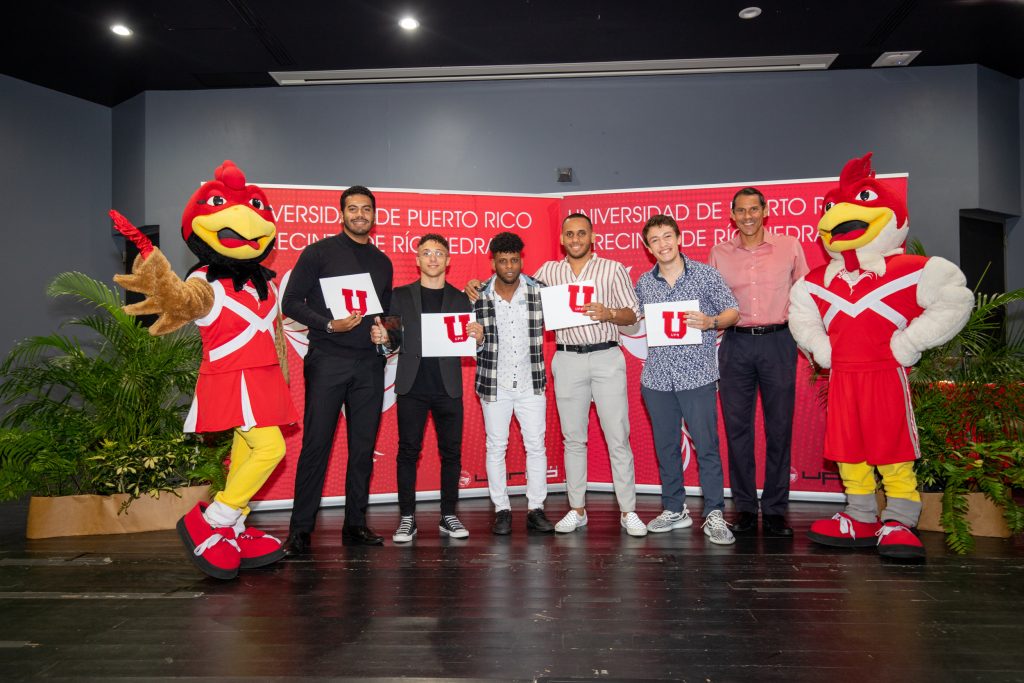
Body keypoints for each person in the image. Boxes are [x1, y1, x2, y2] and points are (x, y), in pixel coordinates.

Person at [281, 185, 393, 550]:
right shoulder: (318, 253)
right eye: (353, 209)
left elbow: (384, 316)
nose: (360, 214)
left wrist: (383, 333)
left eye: (366, 209)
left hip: (368, 365)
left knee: (362, 448)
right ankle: (300, 529)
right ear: (341, 214)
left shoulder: (382, 263)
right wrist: (329, 324)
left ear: (374, 216)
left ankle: (355, 525)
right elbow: (291, 302)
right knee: (316, 444)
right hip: (328, 360)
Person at [534, 214, 648, 537]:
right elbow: (520, 295)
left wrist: (608, 312)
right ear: (561, 239)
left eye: (581, 233)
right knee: (573, 439)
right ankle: (577, 509)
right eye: (569, 234)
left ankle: (628, 511)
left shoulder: (611, 269)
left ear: (593, 236)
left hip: (606, 356)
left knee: (618, 436)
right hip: (567, 358)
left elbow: (633, 316)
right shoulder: (548, 272)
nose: (575, 239)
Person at [708, 187, 809, 537]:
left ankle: (777, 510)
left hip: (779, 342)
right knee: (738, 430)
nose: (748, 216)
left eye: (754, 209)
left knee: (779, 427)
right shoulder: (718, 253)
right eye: (741, 210)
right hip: (735, 345)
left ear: (765, 211)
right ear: (732, 215)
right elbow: (713, 304)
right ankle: (747, 508)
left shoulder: (790, 246)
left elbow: (805, 297)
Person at [370, 234, 483, 543]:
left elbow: (471, 342)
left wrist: (479, 336)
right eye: (426, 253)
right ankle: (407, 517)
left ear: (448, 260)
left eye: (439, 253)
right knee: (408, 452)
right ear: (417, 260)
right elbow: (391, 343)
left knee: (452, 453)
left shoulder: (461, 299)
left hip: (448, 387)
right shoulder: (400, 295)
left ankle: (449, 515)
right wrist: (383, 341)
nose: (433, 258)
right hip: (411, 386)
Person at [634, 214, 740, 545]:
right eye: (655, 240)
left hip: (698, 375)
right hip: (657, 378)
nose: (663, 244)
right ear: (647, 247)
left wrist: (711, 322)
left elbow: (733, 312)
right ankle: (674, 509)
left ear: (679, 238)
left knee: (706, 446)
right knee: (666, 447)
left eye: (668, 236)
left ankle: (714, 514)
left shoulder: (706, 275)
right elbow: (631, 318)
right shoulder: (643, 282)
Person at [473, 231, 552, 535]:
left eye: (514, 260)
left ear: (521, 260)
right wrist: (477, 341)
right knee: (496, 447)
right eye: (503, 260)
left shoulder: (540, 292)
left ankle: (536, 508)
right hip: (494, 383)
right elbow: (471, 341)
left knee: (536, 447)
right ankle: (502, 509)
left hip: (531, 383)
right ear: (493, 262)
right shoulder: (478, 295)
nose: (509, 265)